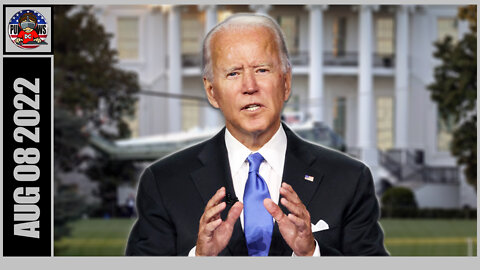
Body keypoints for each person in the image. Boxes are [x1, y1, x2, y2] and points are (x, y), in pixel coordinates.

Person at [125, 13, 388, 256]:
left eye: (262, 70)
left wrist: (311, 255)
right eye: (233, 73)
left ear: (286, 83)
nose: (249, 87)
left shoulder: (349, 180)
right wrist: (199, 259)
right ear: (212, 92)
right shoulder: (164, 183)